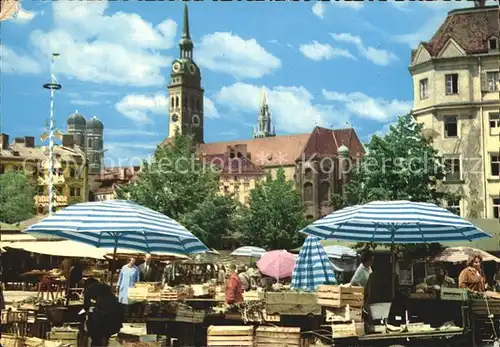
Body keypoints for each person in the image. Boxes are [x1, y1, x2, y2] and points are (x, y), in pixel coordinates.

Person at [83, 278, 124, 347]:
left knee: (97, 331)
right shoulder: (105, 287)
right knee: (106, 333)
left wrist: (87, 312)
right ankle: (104, 343)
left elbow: (86, 306)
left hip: (103, 315)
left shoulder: (89, 288)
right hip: (115, 312)